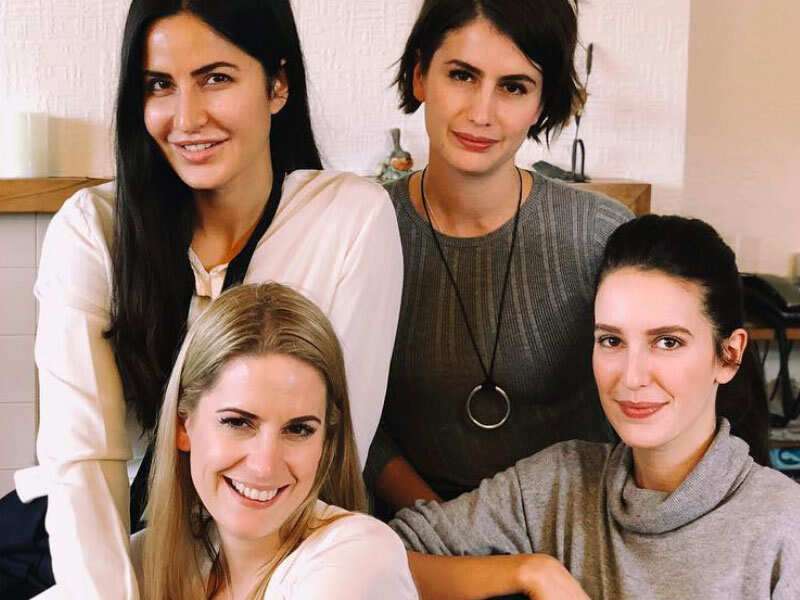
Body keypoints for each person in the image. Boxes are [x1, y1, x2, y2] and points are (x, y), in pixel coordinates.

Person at [3, 1, 402, 597]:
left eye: (216, 78)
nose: (186, 118)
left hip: (254, 545)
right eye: (159, 85)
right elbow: (83, 459)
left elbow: (325, 451)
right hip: (89, 538)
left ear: (278, 84)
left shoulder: (347, 218)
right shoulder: (92, 229)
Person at [389, 215, 798, 600]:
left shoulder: (784, 528)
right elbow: (377, 558)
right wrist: (529, 572)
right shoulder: (557, 484)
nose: (632, 376)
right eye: (611, 341)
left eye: (667, 342)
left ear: (729, 355)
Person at [366, 0, 633, 510]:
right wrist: (450, 533)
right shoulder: (364, 229)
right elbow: (347, 414)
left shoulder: (602, 234)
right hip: (415, 530)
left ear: (542, 102)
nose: (482, 113)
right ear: (420, 76)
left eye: (513, 87)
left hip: (574, 525)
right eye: (462, 75)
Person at [129, 282, 417, 600]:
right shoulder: (138, 561)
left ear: (326, 443)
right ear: (183, 426)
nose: (264, 466)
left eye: (298, 430)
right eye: (238, 422)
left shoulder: (359, 559)